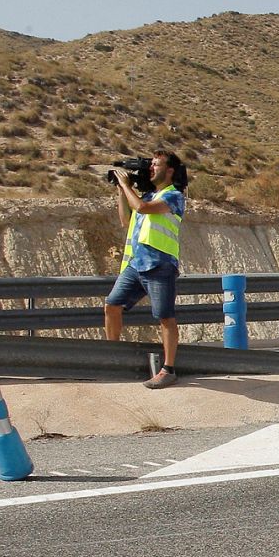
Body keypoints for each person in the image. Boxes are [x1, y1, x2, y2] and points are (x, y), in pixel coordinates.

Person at [103, 151, 188, 389]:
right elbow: (126, 220)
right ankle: (113, 357)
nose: (151, 168)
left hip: (160, 265)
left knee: (165, 317)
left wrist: (125, 185)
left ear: (169, 170)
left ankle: (168, 369)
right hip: (135, 264)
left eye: (156, 164)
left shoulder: (174, 197)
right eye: (150, 164)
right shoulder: (149, 195)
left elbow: (141, 207)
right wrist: (122, 190)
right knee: (112, 306)